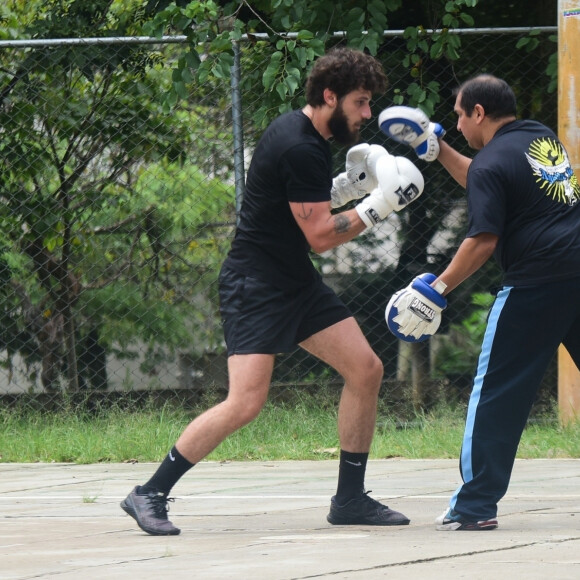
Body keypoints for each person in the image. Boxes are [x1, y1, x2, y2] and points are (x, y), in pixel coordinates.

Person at [120, 46, 426, 536]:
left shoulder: (303, 132)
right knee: (245, 401)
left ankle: (349, 499)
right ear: (331, 96)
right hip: (256, 284)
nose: (368, 114)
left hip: (291, 280)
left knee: (366, 369)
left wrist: (346, 188)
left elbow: (302, 203)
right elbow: (321, 237)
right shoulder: (300, 145)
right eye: (361, 102)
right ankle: (148, 492)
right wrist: (378, 205)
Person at [381, 74, 580, 531]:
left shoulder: (492, 162)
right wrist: (438, 151)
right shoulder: (539, 138)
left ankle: (473, 508)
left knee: (496, 393)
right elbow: (491, 177)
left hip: (537, 284)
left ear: (477, 113)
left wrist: (437, 289)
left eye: (457, 115)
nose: (454, 123)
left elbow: (484, 238)